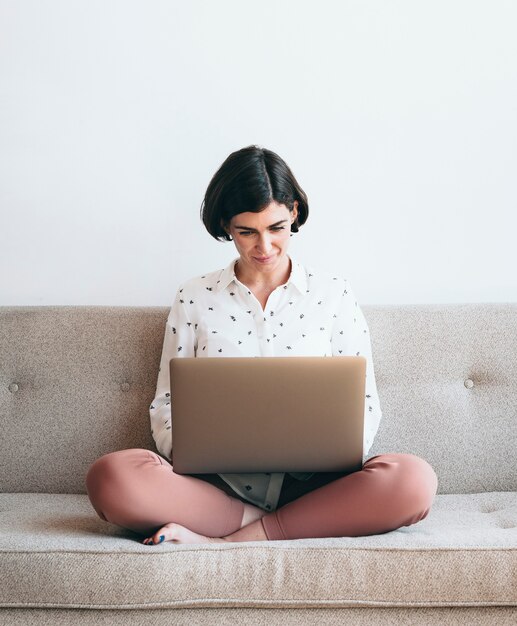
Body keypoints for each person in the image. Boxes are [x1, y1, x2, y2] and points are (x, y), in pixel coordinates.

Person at [86, 145, 438, 545]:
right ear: (226, 226)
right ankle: (263, 524)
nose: (265, 248)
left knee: (414, 481)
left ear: (294, 214)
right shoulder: (194, 297)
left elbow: (366, 407)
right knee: (112, 477)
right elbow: (165, 409)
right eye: (246, 232)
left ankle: (230, 539)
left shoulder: (335, 293)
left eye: (277, 228)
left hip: (318, 489)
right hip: (216, 490)